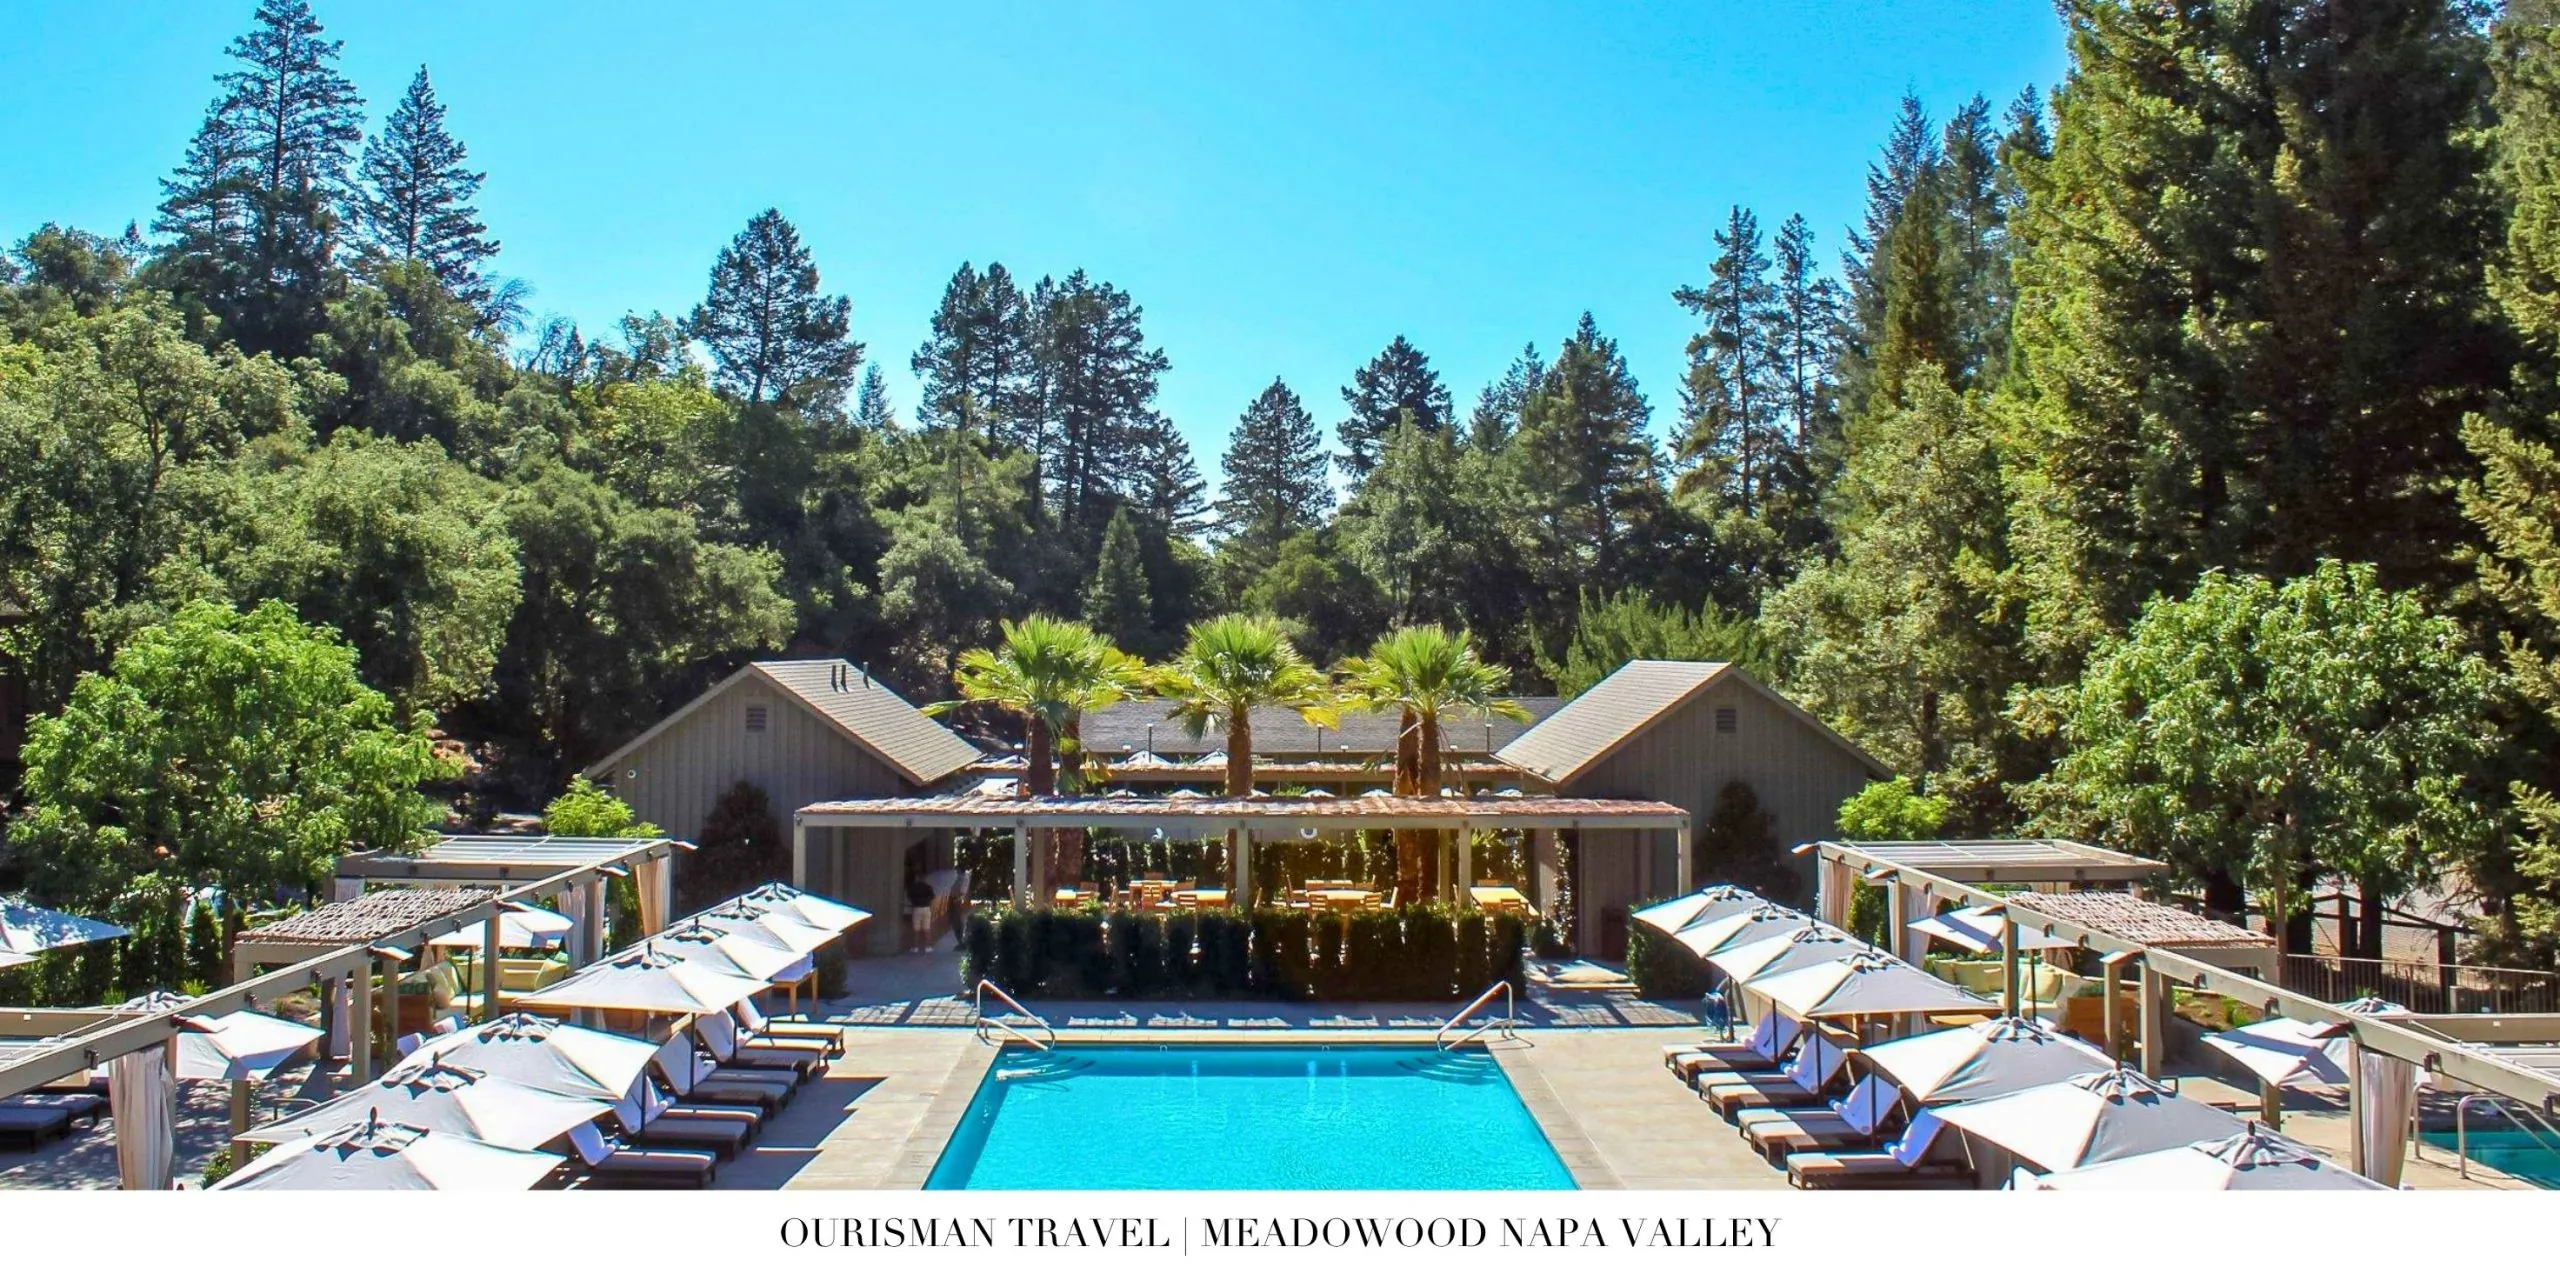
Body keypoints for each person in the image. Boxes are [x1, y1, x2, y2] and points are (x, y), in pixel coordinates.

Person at [905, 871, 937, 954]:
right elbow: (932, 897)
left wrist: (914, 901)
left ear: (917, 878)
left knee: (916, 929)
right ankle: (928, 947)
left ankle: (915, 947)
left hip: (916, 908)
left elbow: (909, 896)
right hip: (926, 908)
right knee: (927, 929)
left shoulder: (913, 887)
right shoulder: (928, 887)